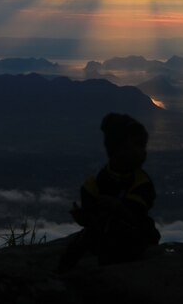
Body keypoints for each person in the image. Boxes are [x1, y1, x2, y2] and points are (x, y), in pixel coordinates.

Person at [58, 113, 160, 271]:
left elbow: (137, 215)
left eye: (143, 145)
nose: (143, 152)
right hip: (102, 235)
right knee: (85, 238)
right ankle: (61, 273)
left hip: (133, 237)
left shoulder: (141, 182)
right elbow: (93, 217)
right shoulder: (96, 182)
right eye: (137, 145)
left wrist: (118, 207)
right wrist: (83, 217)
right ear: (118, 148)